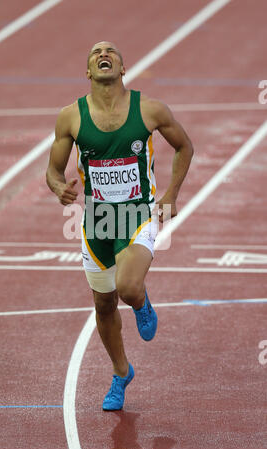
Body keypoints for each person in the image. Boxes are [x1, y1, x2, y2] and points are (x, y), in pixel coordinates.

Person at [46, 41, 193, 411]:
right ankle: (121, 372)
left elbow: (184, 147)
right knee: (103, 303)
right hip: (96, 222)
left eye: (109, 50)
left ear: (122, 67)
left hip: (136, 214)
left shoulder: (149, 110)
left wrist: (172, 193)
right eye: (95, 52)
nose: (102, 53)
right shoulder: (71, 117)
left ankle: (141, 302)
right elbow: (52, 170)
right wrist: (59, 187)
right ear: (88, 71)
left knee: (127, 288)